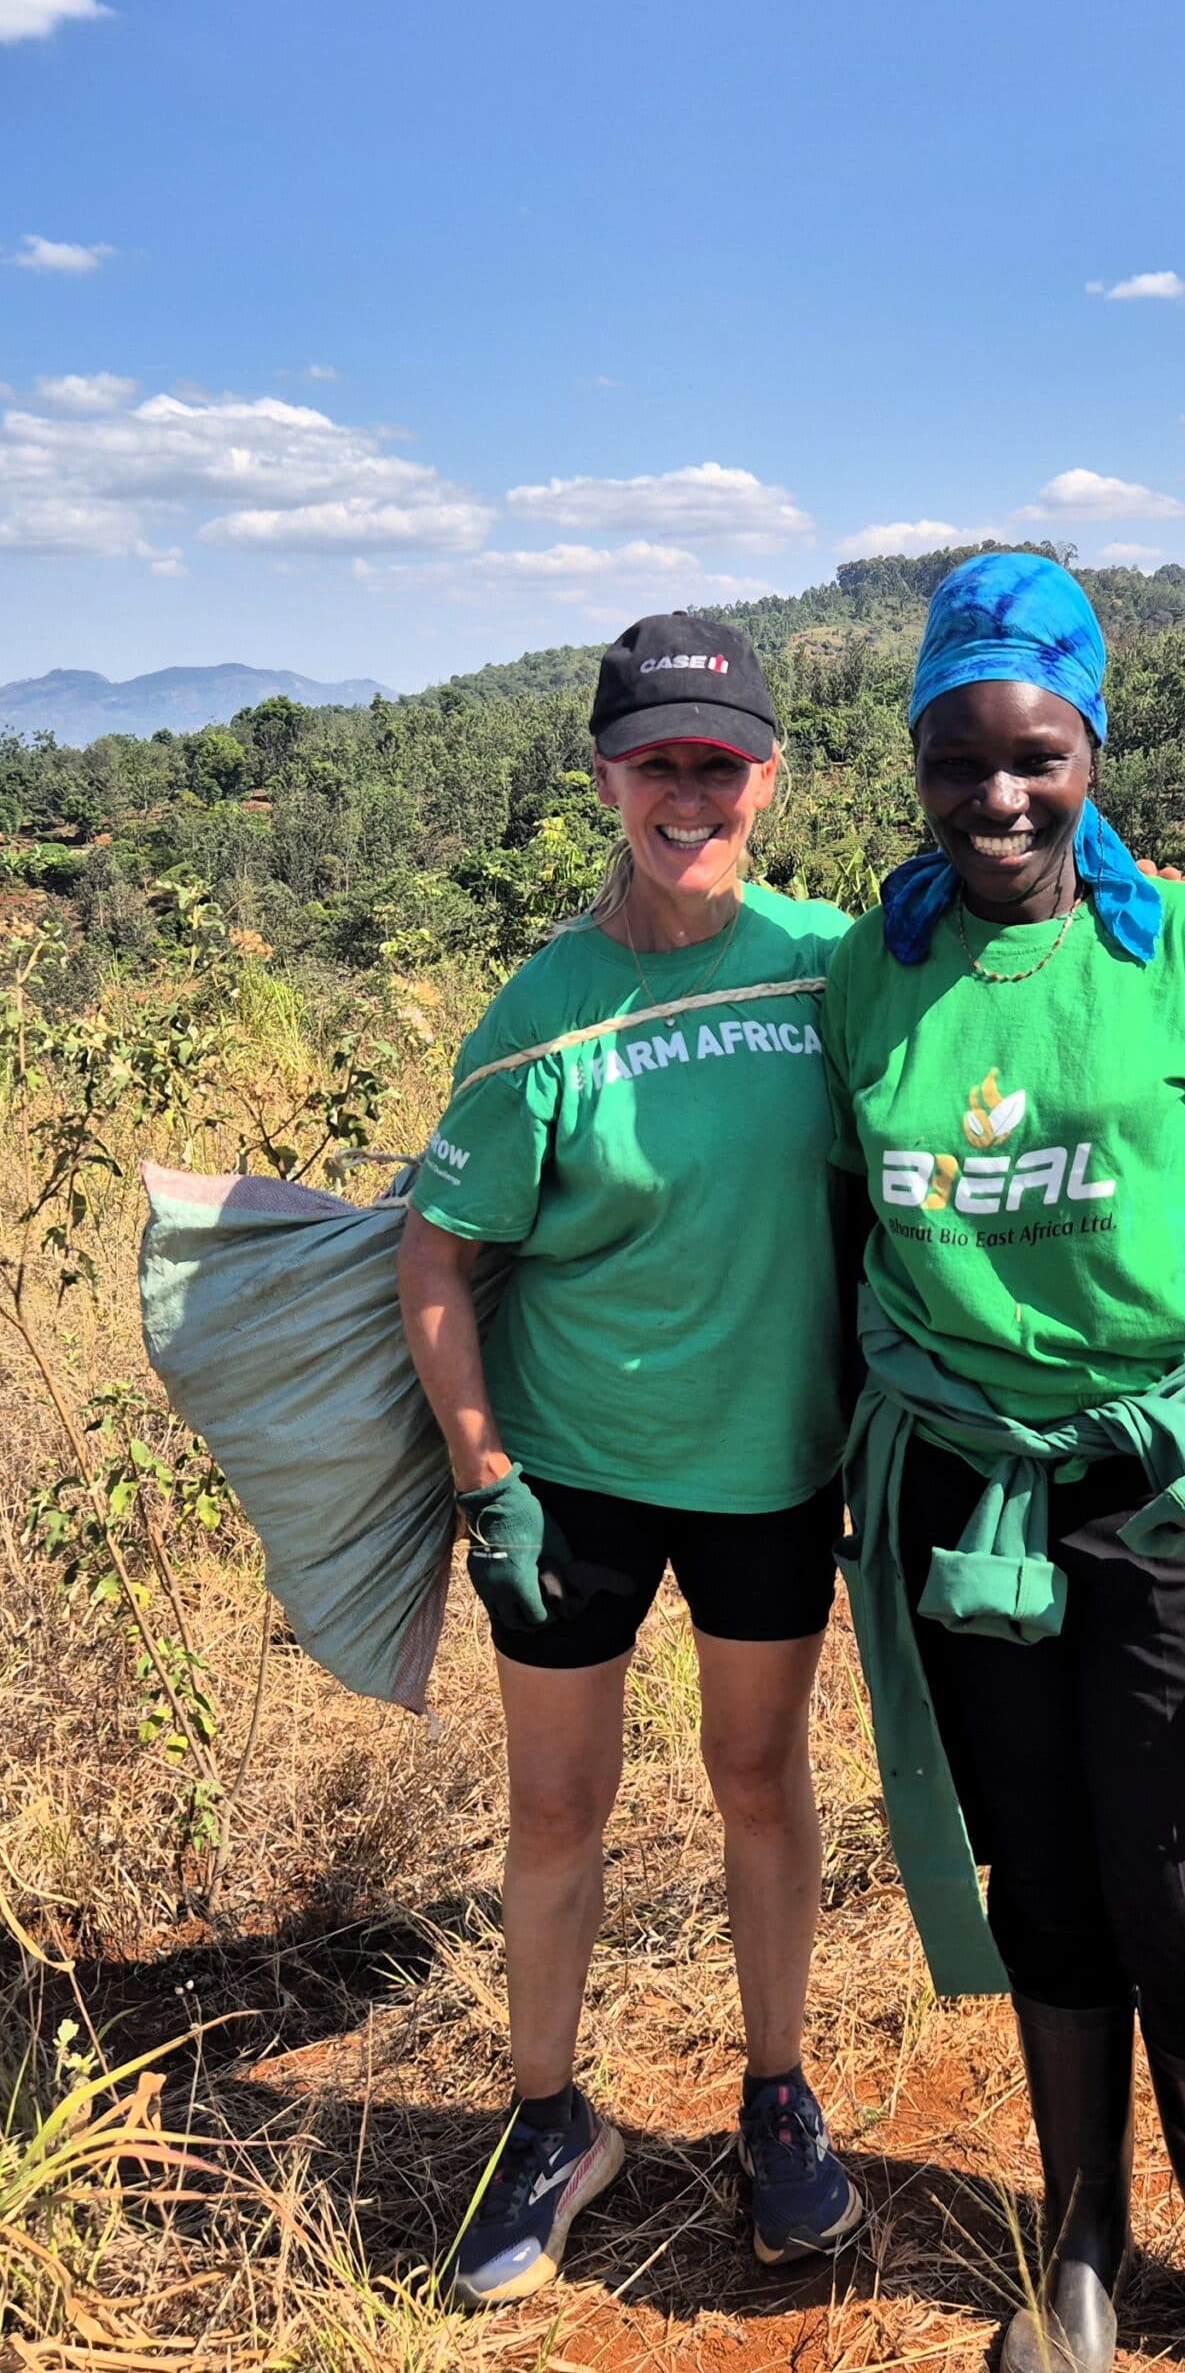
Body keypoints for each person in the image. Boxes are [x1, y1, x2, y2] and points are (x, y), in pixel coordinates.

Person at [821, 554, 1185, 2373]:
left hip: (1159, 1497)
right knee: (1042, 1881)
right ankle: (1079, 2248)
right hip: (958, 1502)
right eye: (958, 764)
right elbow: (848, 1239)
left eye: (1034, 757)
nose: (997, 798)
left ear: (1088, 749)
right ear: (916, 767)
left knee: (1184, 1886)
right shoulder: (872, 973)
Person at [398, 614, 863, 2307]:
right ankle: (547, 2121)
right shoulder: (544, 1011)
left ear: (768, 778)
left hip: (769, 1466)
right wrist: (484, 1475)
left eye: (717, 760)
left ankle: (775, 2096)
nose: (688, 790)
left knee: (758, 1778)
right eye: (655, 759)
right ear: (604, 778)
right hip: (575, 1470)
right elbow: (438, 1255)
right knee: (555, 1801)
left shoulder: (833, 970)